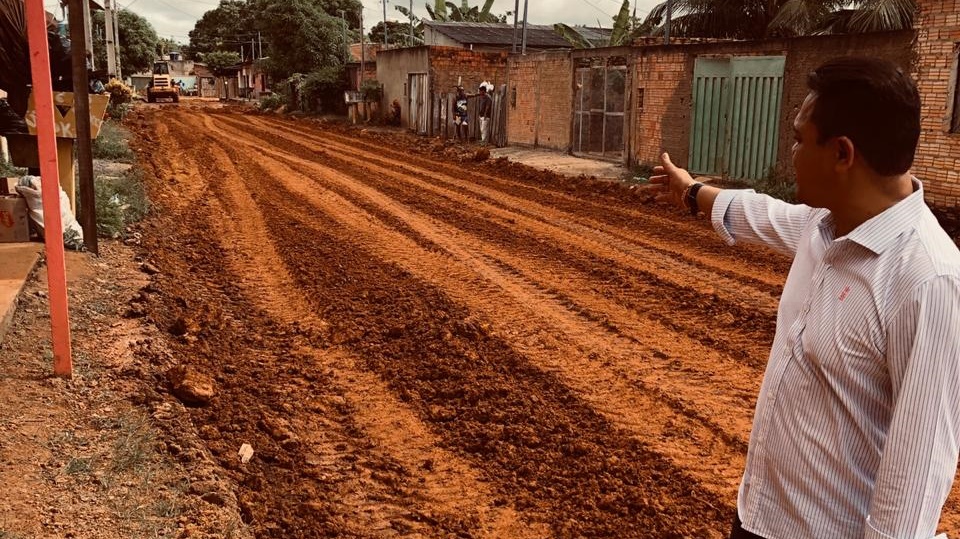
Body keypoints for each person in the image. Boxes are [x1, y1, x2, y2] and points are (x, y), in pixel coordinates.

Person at [651, 56, 960, 539]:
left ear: (842, 153)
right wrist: (692, 192)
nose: (790, 152)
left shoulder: (927, 280)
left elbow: (918, 467)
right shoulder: (827, 224)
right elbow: (763, 213)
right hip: (758, 517)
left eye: (798, 139)